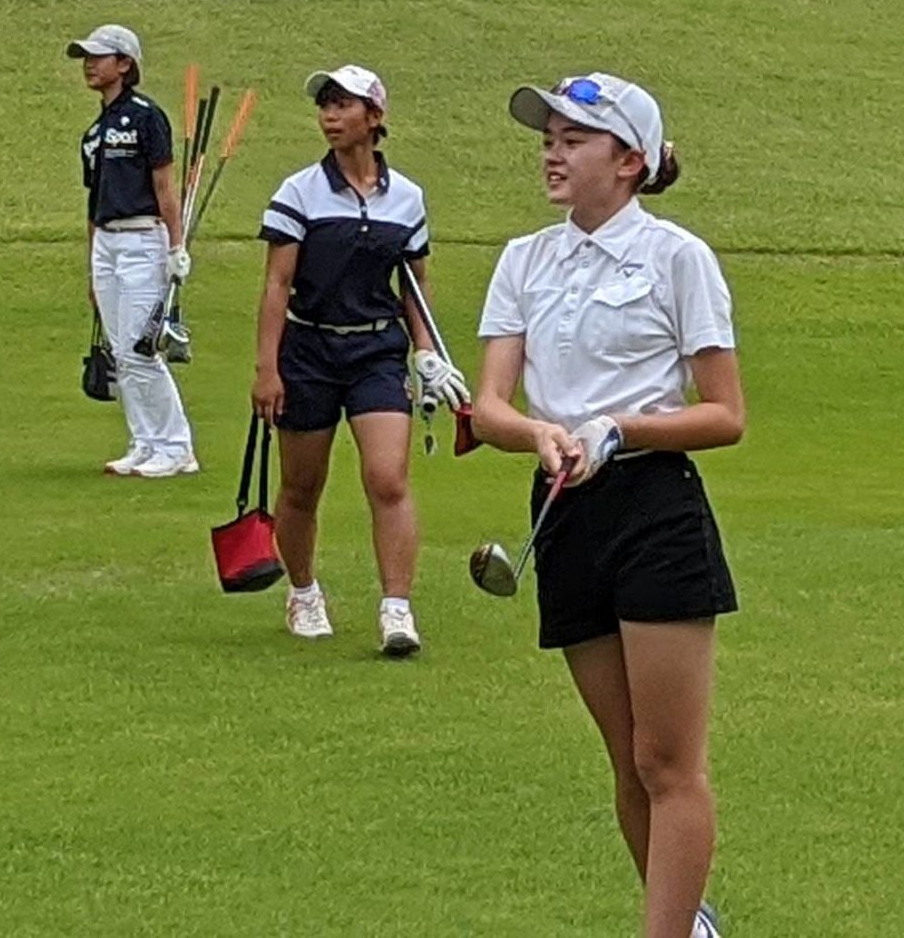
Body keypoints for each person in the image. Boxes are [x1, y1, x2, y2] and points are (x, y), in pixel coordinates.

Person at [472, 72, 743, 938]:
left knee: (668, 761)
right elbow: (490, 406)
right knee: (628, 760)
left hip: (654, 507)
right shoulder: (524, 259)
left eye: (574, 139)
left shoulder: (677, 258)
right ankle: (690, 926)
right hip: (563, 510)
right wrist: (537, 433)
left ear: (629, 161)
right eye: (548, 139)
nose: (552, 153)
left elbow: (724, 413)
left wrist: (620, 428)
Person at [250, 64, 467, 657]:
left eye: (343, 105)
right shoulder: (299, 191)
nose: (330, 116)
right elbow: (277, 284)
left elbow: (414, 283)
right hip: (308, 350)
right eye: (325, 105)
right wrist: (267, 369)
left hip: (376, 350)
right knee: (302, 486)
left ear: (374, 117)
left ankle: (397, 609)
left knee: (388, 478)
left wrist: (426, 352)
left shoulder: (407, 198)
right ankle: (303, 592)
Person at [68, 24, 198, 478]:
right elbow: (94, 202)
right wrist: (92, 266)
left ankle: (176, 447)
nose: (89, 65)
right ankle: (144, 442)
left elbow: (165, 187)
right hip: (107, 243)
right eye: (86, 57)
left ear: (124, 64)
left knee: (142, 351)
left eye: (98, 57)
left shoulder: (146, 117)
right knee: (122, 352)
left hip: (144, 237)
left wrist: (176, 245)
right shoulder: (93, 133)